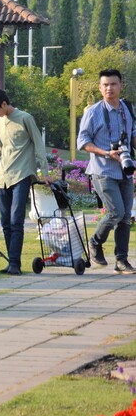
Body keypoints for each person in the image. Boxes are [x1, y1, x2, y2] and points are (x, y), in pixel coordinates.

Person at [0, 89, 49, 275]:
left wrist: (45, 172)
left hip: (22, 176)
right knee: (5, 222)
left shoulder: (25, 118)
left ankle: (15, 264)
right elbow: (0, 152)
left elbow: (39, 146)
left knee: (16, 221)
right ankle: (11, 263)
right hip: (3, 178)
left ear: (4, 104)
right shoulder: (0, 122)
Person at [77, 69, 136, 274]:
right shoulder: (93, 112)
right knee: (116, 212)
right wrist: (106, 153)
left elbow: (133, 134)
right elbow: (82, 142)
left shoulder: (128, 108)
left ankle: (121, 261)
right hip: (103, 170)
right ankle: (94, 242)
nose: (109, 88)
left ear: (121, 85)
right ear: (100, 88)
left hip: (125, 171)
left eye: (113, 84)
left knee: (125, 217)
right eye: (105, 85)